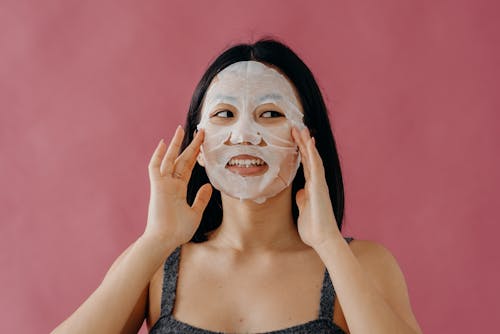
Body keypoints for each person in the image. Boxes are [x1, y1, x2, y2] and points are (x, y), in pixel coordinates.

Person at [52, 38, 423, 334]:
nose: (243, 134)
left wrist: (328, 244)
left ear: (306, 139)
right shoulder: (156, 265)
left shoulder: (365, 265)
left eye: (271, 114)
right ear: (197, 144)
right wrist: (156, 240)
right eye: (223, 115)